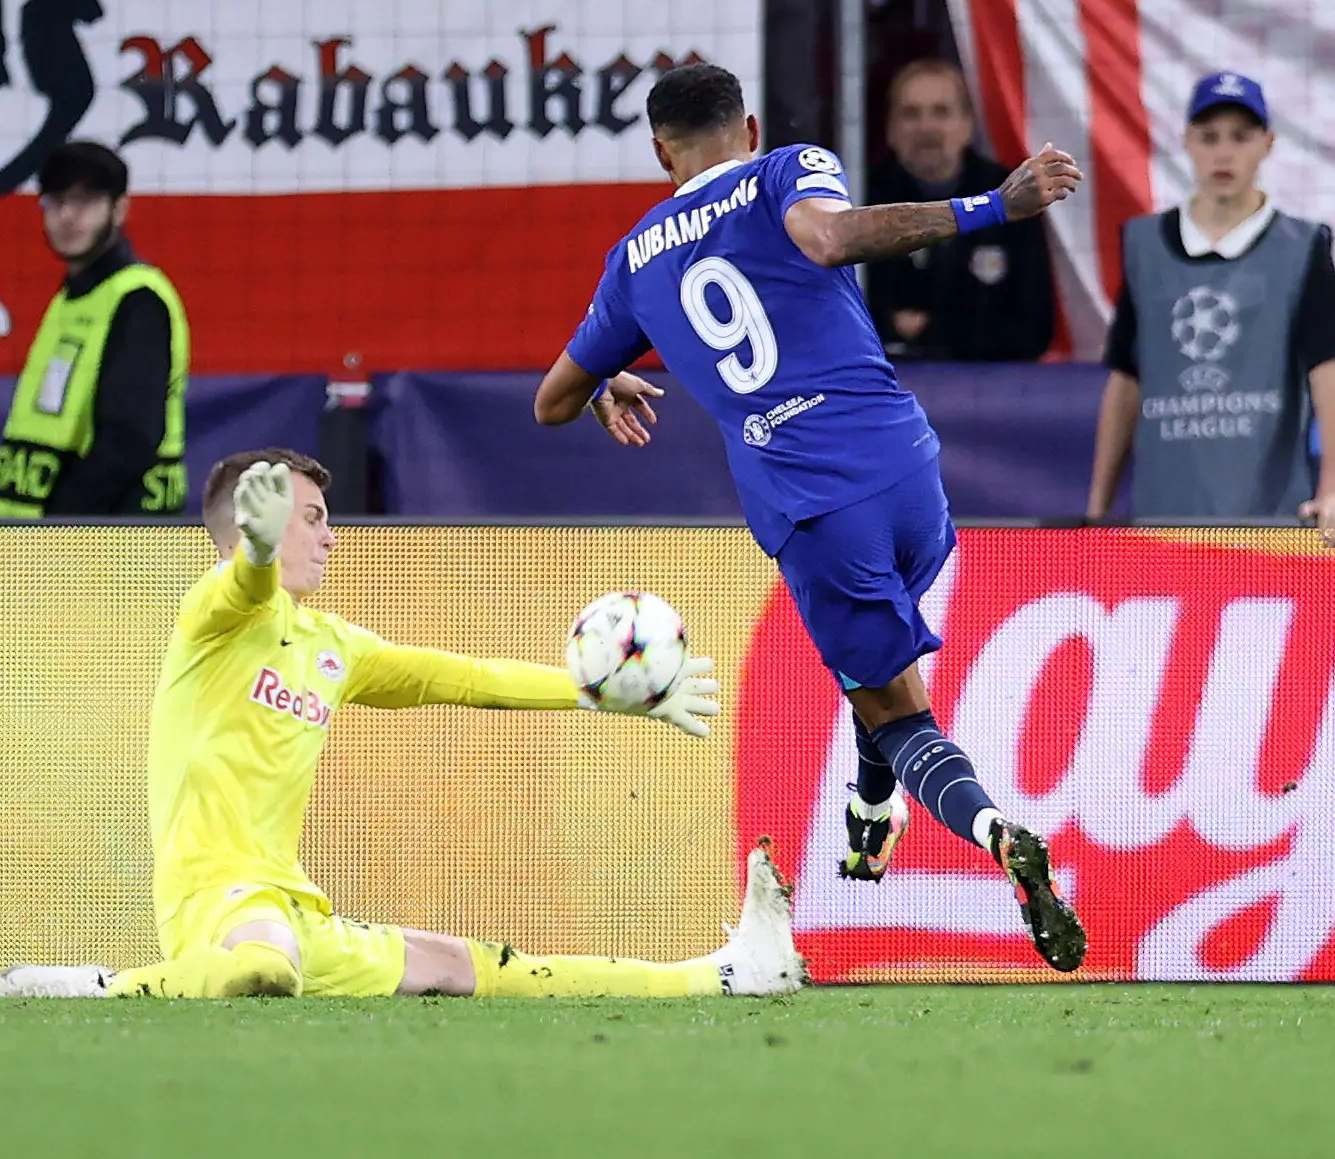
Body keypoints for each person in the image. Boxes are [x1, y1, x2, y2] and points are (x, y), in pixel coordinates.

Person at [532, 63, 1089, 973]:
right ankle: (873, 809)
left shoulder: (632, 261)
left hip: (812, 509)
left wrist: (605, 377)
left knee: (902, 716)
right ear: (747, 128)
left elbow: (551, 401)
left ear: (657, 152)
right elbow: (824, 236)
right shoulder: (786, 167)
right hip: (908, 471)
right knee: (879, 676)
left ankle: (992, 832)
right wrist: (988, 203)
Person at [0, 449, 804, 1001]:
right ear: (252, 524)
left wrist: (597, 694)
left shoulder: (331, 645)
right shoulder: (212, 620)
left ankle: (727, 974)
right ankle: (95, 985)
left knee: (470, 966)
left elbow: (466, 680)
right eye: (309, 516)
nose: (330, 535)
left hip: (297, 908)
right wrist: (256, 554)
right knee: (261, 966)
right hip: (215, 905)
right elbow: (240, 586)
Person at [1085, 71, 1335, 538]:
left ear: (1268, 143)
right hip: (1163, 518)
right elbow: (1125, 378)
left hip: (1269, 525)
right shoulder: (1145, 246)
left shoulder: (1303, 248)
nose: (1224, 152)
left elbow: (1327, 370)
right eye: (1210, 136)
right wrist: (1097, 509)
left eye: (1241, 137)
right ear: (1187, 142)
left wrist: (1332, 488)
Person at [0, 142, 191, 517]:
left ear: (120, 208)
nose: (68, 216)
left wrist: (63, 524)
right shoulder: (71, 298)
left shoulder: (137, 299)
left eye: (85, 201)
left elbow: (130, 439)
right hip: (47, 544)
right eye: (56, 201)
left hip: (110, 548)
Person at [864, 60, 1056, 361]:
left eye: (941, 112)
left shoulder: (1010, 198)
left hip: (988, 391)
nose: (926, 127)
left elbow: (1035, 328)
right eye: (911, 114)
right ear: (890, 129)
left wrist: (932, 329)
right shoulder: (861, 199)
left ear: (968, 125)